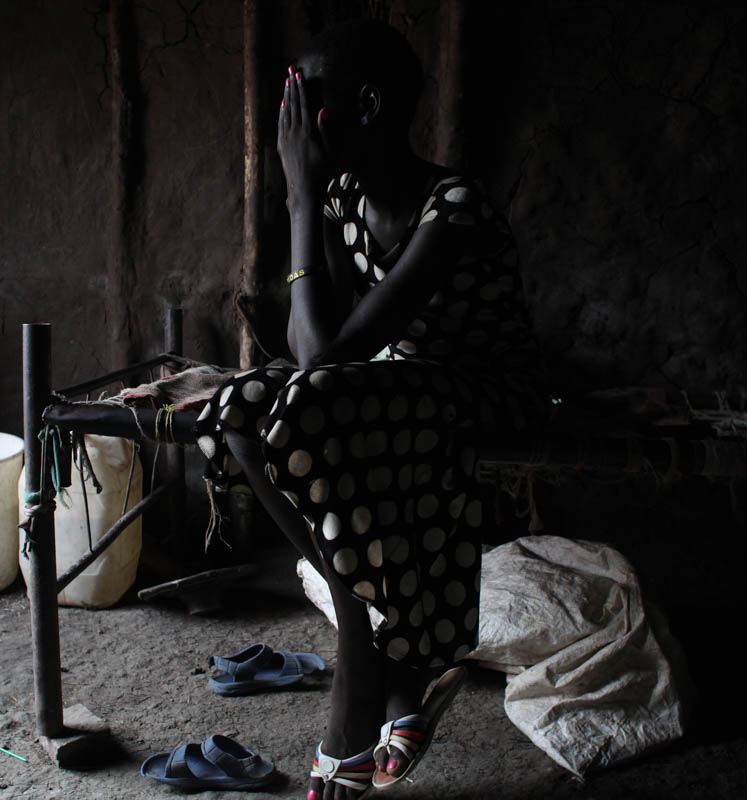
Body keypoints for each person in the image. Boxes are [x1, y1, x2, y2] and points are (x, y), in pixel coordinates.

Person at [194, 18, 544, 799]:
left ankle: (364, 678)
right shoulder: (346, 199)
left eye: (308, 101)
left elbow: (327, 361)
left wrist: (295, 195)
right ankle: (377, 646)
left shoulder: (452, 205)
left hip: (485, 389)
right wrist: (306, 204)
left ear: (370, 106)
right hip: (393, 388)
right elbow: (321, 344)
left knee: (311, 398)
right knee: (239, 408)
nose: (292, 123)